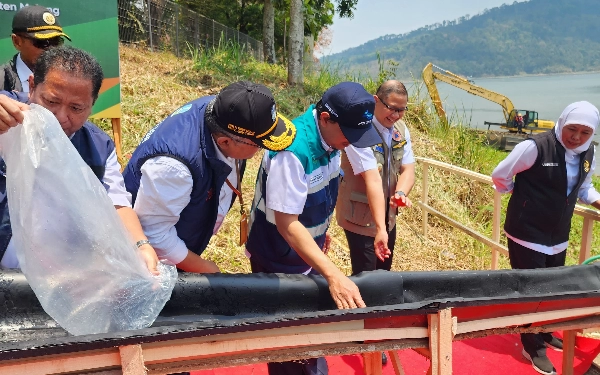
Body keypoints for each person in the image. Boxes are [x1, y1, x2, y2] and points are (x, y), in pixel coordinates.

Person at [245, 81, 383, 375]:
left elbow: (316, 195)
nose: (352, 142)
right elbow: (287, 223)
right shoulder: (293, 153)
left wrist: (320, 231)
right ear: (325, 118)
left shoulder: (332, 140)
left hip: (303, 252)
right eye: (349, 134)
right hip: (276, 258)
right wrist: (333, 274)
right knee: (288, 346)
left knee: (308, 338)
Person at [0, 46, 159, 274]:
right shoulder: (7, 115)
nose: (61, 117)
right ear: (32, 86)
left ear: (92, 104)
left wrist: (141, 245)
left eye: (76, 108)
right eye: (51, 102)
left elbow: (116, 204)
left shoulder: (99, 148)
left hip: (57, 277)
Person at [123, 81, 296, 274]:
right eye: (258, 144)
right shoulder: (174, 168)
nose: (260, 150)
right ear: (225, 141)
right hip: (141, 262)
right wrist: (204, 267)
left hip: (180, 237)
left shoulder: (223, 113)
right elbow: (153, 234)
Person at [492, 101, 600, 375]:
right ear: (562, 122)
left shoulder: (589, 152)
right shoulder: (536, 146)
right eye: (572, 129)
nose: (576, 137)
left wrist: (597, 201)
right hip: (526, 233)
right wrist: (521, 195)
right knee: (530, 292)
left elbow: (584, 188)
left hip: (558, 235)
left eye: (585, 132)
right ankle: (532, 345)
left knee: (552, 290)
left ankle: (546, 332)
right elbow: (500, 175)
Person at [337, 80, 415, 275]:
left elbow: (408, 169)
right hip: (361, 219)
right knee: (366, 276)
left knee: (383, 274)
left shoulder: (401, 130)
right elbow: (372, 179)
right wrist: (380, 229)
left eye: (402, 110)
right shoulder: (359, 131)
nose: (396, 115)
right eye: (392, 108)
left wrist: (400, 193)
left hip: (388, 217)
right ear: (375, 101)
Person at [1, 5, 70, 92]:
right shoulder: (2, 81)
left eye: (55, 41)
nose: (51, 49)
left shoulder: (67, 80)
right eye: (42, 42)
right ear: (17, 41)